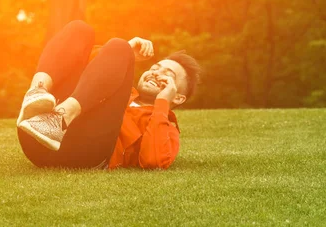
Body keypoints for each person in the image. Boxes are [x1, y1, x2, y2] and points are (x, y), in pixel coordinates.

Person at [16, 20, 201, 170]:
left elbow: (153, 161)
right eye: (155, 67)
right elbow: (82, 62)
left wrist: (162, 103)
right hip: (35, 138)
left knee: (119, 46)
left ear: (178, 97)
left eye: (168, 75)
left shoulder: (166, 125)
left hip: (84, 154)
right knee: (80, 29)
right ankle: (36, 91)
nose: (156, 73)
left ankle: (59, 118)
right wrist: (126, 53)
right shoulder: (114, 86)